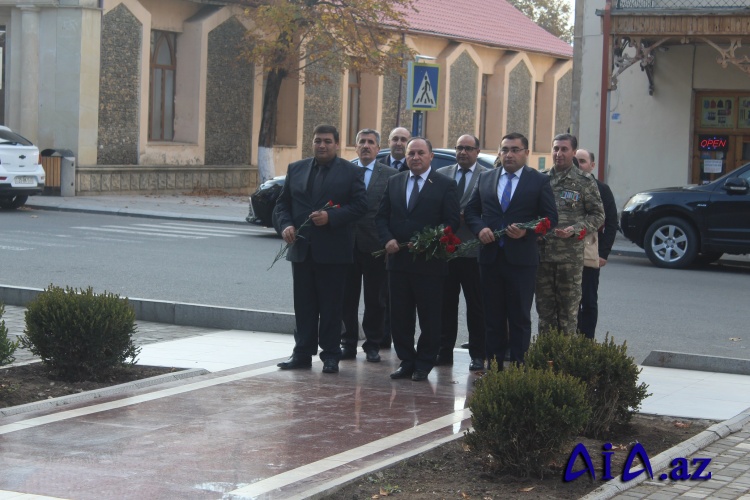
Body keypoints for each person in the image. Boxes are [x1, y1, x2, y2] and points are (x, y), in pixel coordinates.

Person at [274, 124, 368, 374]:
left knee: (331, 306)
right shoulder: (296, 169)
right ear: (312, 143)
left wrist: (332, 217)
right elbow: (282, 205)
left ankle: (330, 355)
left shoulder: (350, 172)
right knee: (303, 305)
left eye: (327, 141)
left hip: (334, 251)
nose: (322, 145)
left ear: (337, 144)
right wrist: (286, 226)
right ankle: (302, 353)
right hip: (302, 250)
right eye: (318, 141)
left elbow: (360, 206)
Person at [464, 133, 557, 366]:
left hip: (521, 261)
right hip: (490, 258)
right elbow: (472, 212)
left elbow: (550, 218)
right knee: (492, 318)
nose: (509, 154)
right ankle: (494, 369)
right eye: (505, 149)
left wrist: (528, 231)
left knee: (519, 318)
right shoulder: (486, 178)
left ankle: (518, 368)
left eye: (515, 150)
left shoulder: (538, 181)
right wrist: (480, 229)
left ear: (526, 152)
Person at [376, 137, 460, 381]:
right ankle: (406, 360)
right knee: (400, 315)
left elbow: (451, 221)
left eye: (420, 153)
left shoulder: (445, 184)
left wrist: (429, 241)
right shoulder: (395, 181)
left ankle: (424, 362)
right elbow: (381, 217)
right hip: (398, 261)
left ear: (431, 156)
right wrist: (387, 239)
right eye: (411, 153)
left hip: (429, 263)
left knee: (430, 316)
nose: (415, 157)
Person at [536, 134, 604, 335]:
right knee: (545, 313)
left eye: (564, 149)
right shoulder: (541, 179)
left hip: (570, 258)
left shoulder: (584, 181)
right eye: (555, 148)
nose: (559, 153)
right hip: (543, 257)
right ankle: (545, 360)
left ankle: (563, 361)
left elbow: (598, 215)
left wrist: (575, 230)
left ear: (573, 152)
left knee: (568, 315)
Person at [341, 129, 398, 361]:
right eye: (361, 142)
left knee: (376, 299)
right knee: (347, 298)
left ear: (378, 148)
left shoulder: (391, 175)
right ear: (355, 147)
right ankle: (347, 343)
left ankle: (373, 344)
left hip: (376, 246)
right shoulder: (344, 172)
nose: (366, 146)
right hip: (346, 246)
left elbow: (392, 211)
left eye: (371, 143)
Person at [436, 134, 488, 371]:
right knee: (445, 305)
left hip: (474, 251)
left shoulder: (486, 176)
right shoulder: (443, 174)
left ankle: (478, 354)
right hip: (447, 251)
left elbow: (490, 208)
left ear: (477, 151)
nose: (463, 152)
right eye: (459, 148)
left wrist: (470, 217)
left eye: (468, 148)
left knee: (477, 306)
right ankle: (443, 351)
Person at [575, 148, 618, 339]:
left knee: (589, 301)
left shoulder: (602, 189)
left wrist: (603, 253)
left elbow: (611, 223)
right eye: (576, 161)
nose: (579, 165)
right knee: (569, 302)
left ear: (592, 165)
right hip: (564, 253)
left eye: (583, 161)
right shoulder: (563, 186)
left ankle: (586, 342)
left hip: (590, 253)